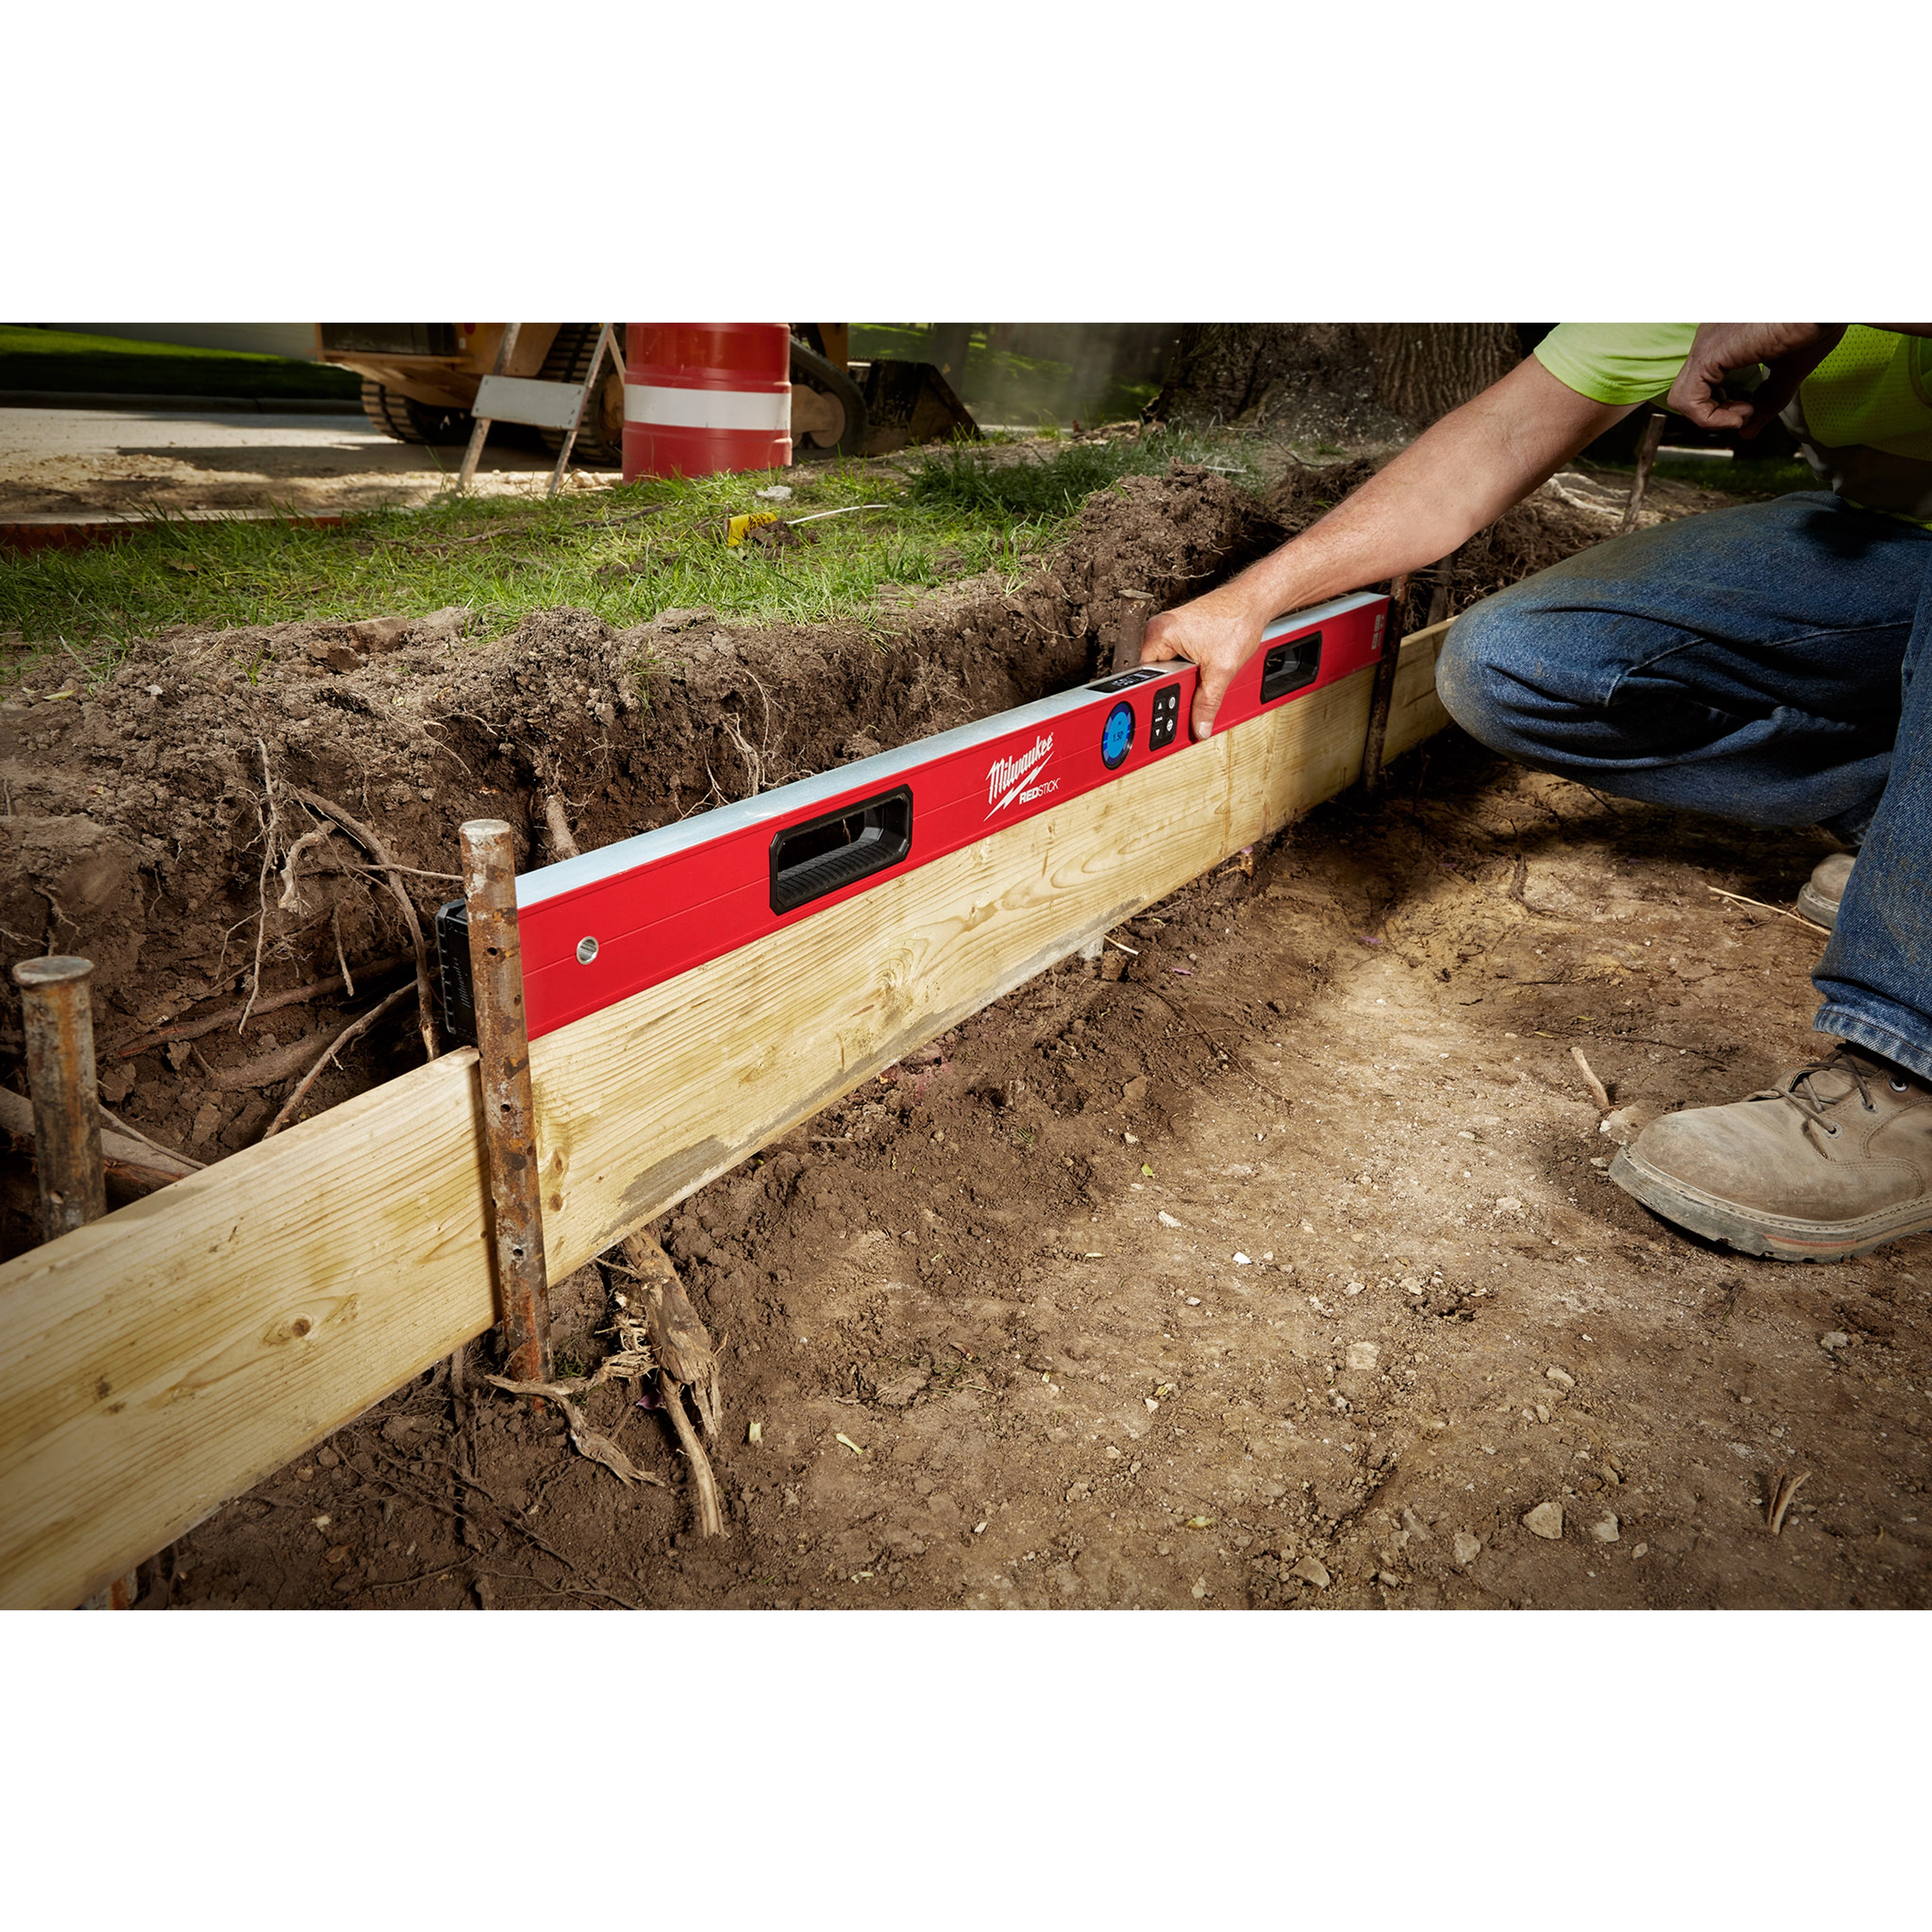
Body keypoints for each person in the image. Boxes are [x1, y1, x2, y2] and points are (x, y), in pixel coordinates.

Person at [1141, 321, 1932, 1262]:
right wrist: (1255, 597)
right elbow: (1491, 446)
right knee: (1511, 664)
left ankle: (1906, 1075)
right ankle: (1904, 830)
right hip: (1889, 548)